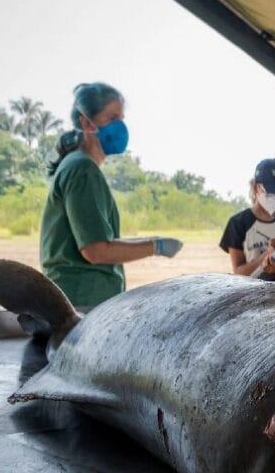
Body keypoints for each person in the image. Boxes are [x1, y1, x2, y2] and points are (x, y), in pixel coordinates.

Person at [41, 83, 182, 310]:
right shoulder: (82, 170)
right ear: (86, 123)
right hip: (82, 300)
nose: (120, 126)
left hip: (83, 296)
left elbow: (102, 241)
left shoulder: (79, 166)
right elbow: (95, 251)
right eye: (112, 118)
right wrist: (155, 247)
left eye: (121, 118)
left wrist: (151, 240)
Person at [219, 159, 275, 281]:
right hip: (251, 290)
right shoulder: (238, 223)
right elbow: (238, 272)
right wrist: (268, 254)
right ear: (256, 187)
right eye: (270, 192)